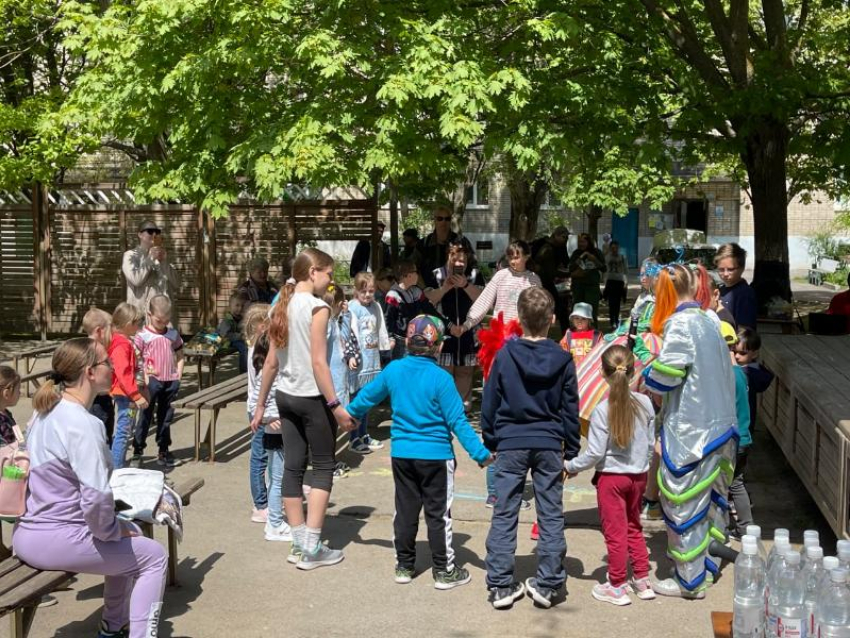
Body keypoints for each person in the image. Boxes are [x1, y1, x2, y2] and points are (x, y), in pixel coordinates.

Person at [13, 338, 168, 638]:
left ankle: (112, 626)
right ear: (90, 372)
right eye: (107, 363)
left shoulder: (44, 413)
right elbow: (96, 499)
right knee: (154, 556)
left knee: (128, 532)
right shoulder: (83, 424)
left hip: (27, 534)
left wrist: (116, 528)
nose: (113, 367)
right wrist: (113, 530)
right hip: (57, 539)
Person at [343, 315, 493, 590]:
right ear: (437, 346)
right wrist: (480, 454)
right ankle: (444, 570)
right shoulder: (441, 378)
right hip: (436, 456)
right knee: (438, 514)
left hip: (402, 454)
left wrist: (349, 414)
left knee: (406, 511)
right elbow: (458, 422)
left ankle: (404, 565)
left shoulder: (394, 370)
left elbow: (367, 396)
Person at [251, 248, 357, 570]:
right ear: (313, 273)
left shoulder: (279, 306)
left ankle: (298, 544)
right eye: (328, 274)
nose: (331, 281)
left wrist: (259, 406)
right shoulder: (317, 307)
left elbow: (270, 363)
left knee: (293, 467)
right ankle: (311, 546)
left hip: (285, 396)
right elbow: (318, 363)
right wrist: (336, 406)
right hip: (312, 398)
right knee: (324, 466)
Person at [643, 264, 738, 598]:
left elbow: (667, 375)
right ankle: (706, 569)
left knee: (684, 505)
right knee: (712, 506)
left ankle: (690, 581)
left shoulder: (680, 325)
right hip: (722, 428)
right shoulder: (709, 319)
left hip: (694, 433)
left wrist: (647, 373)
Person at [482, 287, 580, 609]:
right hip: (549, 441)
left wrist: (490, 438)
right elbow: (569, 407)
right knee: (551, 513)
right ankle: (549, 583)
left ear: (519, 319)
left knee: (505, 511)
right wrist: (572, 448)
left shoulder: (505, 355)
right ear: (552, 320)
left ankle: (499, 583)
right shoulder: (563, 358)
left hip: (511, 441)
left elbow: (491, 399)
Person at [565, 345, 656, 606]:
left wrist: (570, 466)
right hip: (639, 476)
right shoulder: (646, 403)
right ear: (632, 372)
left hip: (612, 479)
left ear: (602, 373)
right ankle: (642, 578)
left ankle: (616, 584)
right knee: (634, 526)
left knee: (615, 533)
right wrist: (643, 465)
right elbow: (650, 444)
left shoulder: (601, 410)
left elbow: (594, 453)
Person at [244, 303, 292, 538]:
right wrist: (265, 417)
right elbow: (259, 394)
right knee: (261, 460)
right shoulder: (260, 351)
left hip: (268, 418)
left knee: (274, 467)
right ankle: (262, 506)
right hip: (265, 419)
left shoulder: (261, 348)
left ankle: (270, 506)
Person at [425, 242, 484, 410]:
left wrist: (465, 285)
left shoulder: (474, 275)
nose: (459, 264)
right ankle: (444, 409)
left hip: (468, 331)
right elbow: (428, 301)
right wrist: (445, 288)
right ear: (448, 257)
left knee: (465, 372)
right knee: (444, 372)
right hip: (444, 331)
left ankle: (462, 410)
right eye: (455, 259)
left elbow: (484, 300)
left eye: (463, 260)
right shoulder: (436, 275)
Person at [131, 295, 184, 469]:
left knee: (166, 418)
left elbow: (180, 355)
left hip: (170, 381)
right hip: (151, 382)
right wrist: (143, 376)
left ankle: (163, 449)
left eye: (166, 320)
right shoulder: (142, 336)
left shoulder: (172, 334)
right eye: (159, 320)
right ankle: (138, 450)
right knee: (145, 417)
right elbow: (135, 358)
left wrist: (179, 375)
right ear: (149, 314)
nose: (162, 323)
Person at [348, 272, 392, 453]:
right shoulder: (352, 307)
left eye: (371, 291)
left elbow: (380, 326)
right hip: (358, 362)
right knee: (356, 401)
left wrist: (385, 344)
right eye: (363, 291)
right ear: (356, 290)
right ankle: (353, 437)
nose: (367, 295)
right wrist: (351, 355)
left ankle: (364, 433)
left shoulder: (376, 306)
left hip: (372, 360)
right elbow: (349, 333)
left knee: (367, 399)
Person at [459, 240, 541, 335]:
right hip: (501, 333)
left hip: (524, 334)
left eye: (516, 258)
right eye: (510, 258)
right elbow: (484, 301)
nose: (512, 262)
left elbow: (537, 307)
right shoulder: (500, 276)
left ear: (526, 257)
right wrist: (467, 324)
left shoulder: (534, 279)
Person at [719, 323, 754, 541]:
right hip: (744, 439)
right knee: (737, 483)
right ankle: (745, 528)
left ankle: (720, 528)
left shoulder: (726, 377)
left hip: (731, 441)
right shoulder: (740, 374)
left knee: (721, 484)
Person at [108, 303, 149, 470]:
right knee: (124, 432)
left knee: (125, 430)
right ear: (127, 324)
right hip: (125, 394)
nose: (139, 327)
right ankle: (116, 469)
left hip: (125, 392)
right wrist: (136, 395)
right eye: (137, 324)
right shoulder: (121, 345)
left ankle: (117, 466)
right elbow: (123, 373)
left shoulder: (121, 340)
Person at [122, 220, 180, 314]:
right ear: (140, 235)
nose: (154, 234)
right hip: (141, 316)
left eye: (157, 232)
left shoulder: (162, 255)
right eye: (150, 231)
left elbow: (177, 283)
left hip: (164, 316)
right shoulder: (130, 256)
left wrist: (164, 262)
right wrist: (150, 259)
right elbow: (136, 280)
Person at [385, 260, 440, 360]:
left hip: (415, 338)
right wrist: (390, 337)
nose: (418, 275)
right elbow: (388, 319)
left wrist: (441, 322)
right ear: (407, 275)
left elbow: (428, 308)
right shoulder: (393, 295)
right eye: (416, 272)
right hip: (400, 341)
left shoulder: (416, 291)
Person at [419, 206, 475, 289]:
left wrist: (466, 285)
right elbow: (414, 268)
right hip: (432, 294)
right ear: (434, 220)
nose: (443, 222)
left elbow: (473, 266)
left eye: (447, 219)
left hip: (457, 292)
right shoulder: (424, 243)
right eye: (440, 218)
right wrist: (424, 289)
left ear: (450, 221)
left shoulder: (462, 241)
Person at [83, 308, 116, 442]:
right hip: (100, 401)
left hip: (89, 401)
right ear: (98, 331)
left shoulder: (83, 347)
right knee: (102, 437)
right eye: (110, 331)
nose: (112, 335)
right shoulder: (98, 350)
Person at [734, 327, 774, 433]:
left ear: (755, 354)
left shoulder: (750, 373)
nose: (737, 356)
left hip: (742, 423)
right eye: (734, 351)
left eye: (743, 353)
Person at [532, 227, 571, 334]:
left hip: (547, 282)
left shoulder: (558, 247)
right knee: (558, 310)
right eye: (564, 237)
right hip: (543, 283)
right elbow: (551, 272)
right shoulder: (547, 249)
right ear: (555, 236)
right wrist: (570, 273)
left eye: (567, 237)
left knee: (560, 310)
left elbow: (565, 262)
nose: (566, 239)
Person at [714, 242, 757, 329]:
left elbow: (744, 330)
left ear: (742, 268)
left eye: (730, 269)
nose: (725, 274)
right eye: (721, 269)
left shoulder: (745, 294)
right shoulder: (720, 289)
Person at [568, 233, 606, 324]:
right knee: (577, 311)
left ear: (589, 242)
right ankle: (577, 332)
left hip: (591, 287)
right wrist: (580, 259)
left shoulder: (596, 252)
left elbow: (604, 268)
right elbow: (570, 268)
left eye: (583, 242)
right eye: (580, 242)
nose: (581, 244)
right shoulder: (576, 253)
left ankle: (592, 332)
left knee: (591, 312)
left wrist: (594, 259)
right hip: (578, 287)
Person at [559, 302, 602, 367]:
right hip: (573, 369)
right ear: (572, 320)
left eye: (583, 318)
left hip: (589, 368)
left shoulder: (596, 335)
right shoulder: (569, 334)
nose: (579, 321)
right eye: (576, 318)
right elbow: (562, 350)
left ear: (589, 321)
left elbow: (601, 352)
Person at [217, 291, 250, 373]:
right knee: (244, 348)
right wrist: (240, 336)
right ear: (230, 306)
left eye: (242, 306)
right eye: (237, 305)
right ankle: (244, 373)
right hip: (226, 341)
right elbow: (225, 335)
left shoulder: (241, 318)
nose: (240, 308)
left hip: (238, 339)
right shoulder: (227, 320)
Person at [603, 241, 629, 330]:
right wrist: (605, 282)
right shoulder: (607, 257)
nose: (614, 250)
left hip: (619, 281)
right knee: (611, 303)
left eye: (616, 248)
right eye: (612, 248)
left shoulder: (622, 257)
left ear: (618, 248)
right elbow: (605, 270)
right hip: (610, 281)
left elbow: (626, 270)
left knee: (617, 303)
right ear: (610, 248)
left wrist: (626, 282)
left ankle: (617, 320)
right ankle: (612, 321)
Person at [0, 366, 21, 445]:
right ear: (7, 394)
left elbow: (19, 438)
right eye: (18, 389)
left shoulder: (7, 414)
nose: (20, 393)